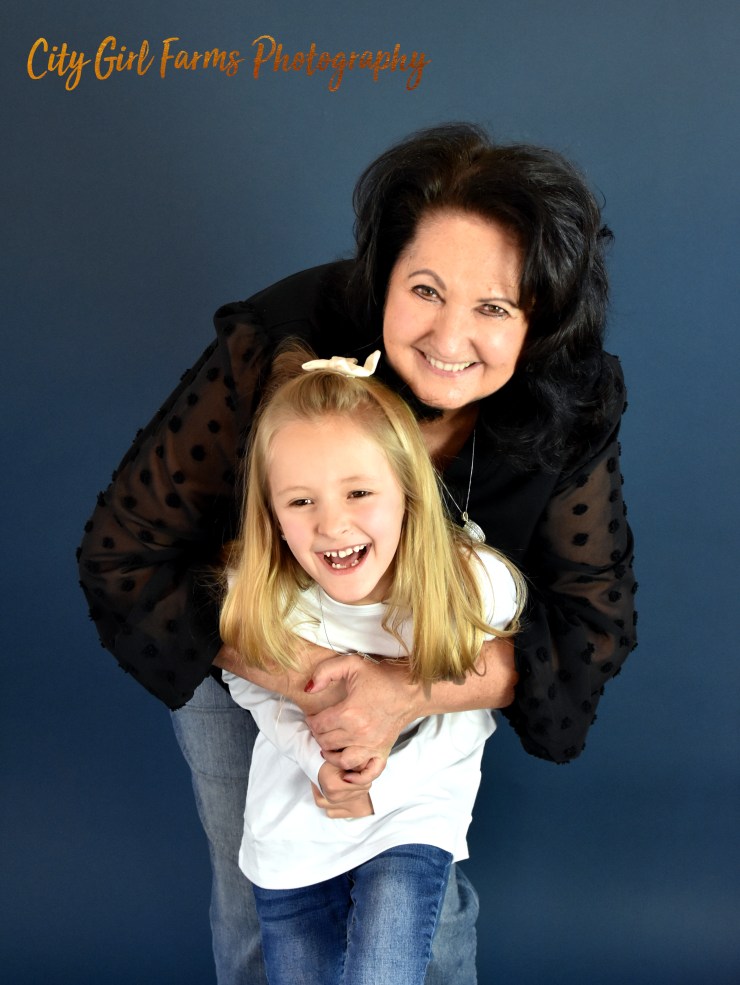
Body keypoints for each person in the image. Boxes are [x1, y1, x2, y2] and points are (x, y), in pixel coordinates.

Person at [77, 122, 637, 984]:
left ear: (541, 319)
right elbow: (127, 556)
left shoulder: (570, 394)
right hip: (252, 634)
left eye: (494, 307)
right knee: (262, 897)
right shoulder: (280, 340)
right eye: (426, 289)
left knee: (423, 918)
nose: (450, 336)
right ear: (384, 275)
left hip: (433, 650)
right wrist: (317, 682)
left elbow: (590, 628)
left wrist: (402, 689)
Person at [218, 348, 525, 985]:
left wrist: (379, 785)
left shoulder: (468, 584)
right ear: (271, 514)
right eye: (300, 501)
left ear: (408, 490)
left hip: (409, 819)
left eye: (359, 492)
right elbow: (256, 692)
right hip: (294, 828)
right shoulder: (270, 594)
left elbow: (465, 719)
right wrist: (320, 767)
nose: (333, 524)